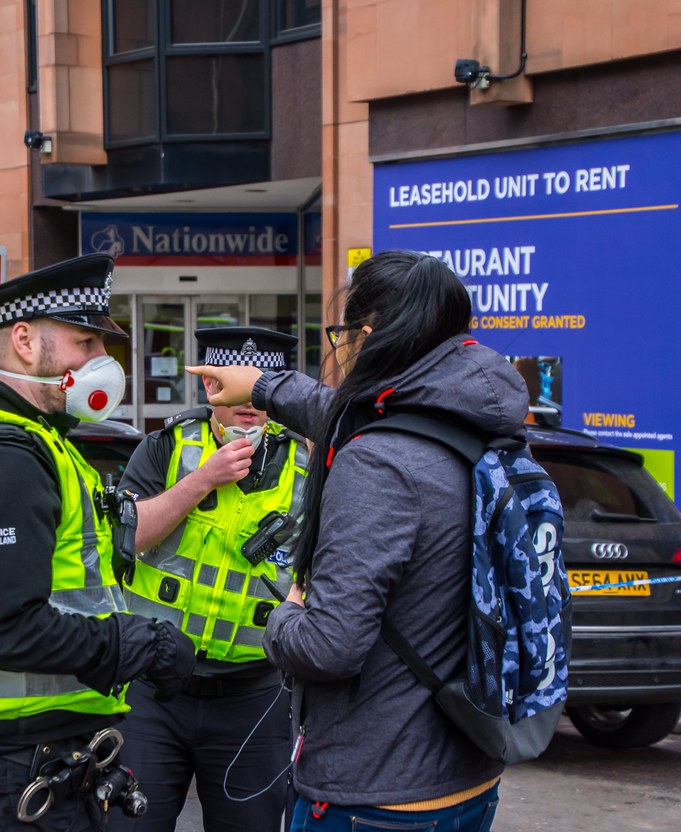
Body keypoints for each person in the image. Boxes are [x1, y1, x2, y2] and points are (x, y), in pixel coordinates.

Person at [189, 251, 529, 832]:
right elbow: (357, 415)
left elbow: (329, 646)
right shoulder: (473, 421)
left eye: (342, 333)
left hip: (375, 794)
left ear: (365, 335)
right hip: (467, 773)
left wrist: (284, 614)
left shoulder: (377, 463)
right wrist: (265, 387)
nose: (339, 347)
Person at [0, 253, 195, 832]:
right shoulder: (6, 460)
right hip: (2, 779)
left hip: (21, 766)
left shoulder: (44, 445)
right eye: (84, 343)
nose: (101, 362)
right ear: (22, 340)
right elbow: (12, 629)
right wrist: (136, 644)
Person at [112, 326, 308, 832]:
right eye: (236, 388)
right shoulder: (165, 446)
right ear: (210, 387)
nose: (249, 403)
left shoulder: (308, 464)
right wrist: (202, 479)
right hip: (153, 692)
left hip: (254, 695)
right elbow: (127, 539)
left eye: (261, 388)